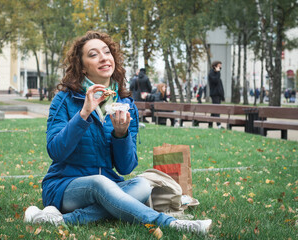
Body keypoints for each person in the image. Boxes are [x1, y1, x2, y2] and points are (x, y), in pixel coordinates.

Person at [24, 31, 212, 234]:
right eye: (93, 54)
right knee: (99, 182)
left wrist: (121, 135)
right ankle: (170, 223)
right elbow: (55, 151)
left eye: (107, 52)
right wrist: (84, 114)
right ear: (82, 66)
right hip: (64, 186)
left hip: (110, 186)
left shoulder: (125, 104)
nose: (104, 58)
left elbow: (125, 167)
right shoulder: (65, 100)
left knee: (141, 185)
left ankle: (60, 220)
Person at [208, 61, 225, 129]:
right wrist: (218, 72)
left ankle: (210, 124)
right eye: (219, 66)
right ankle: (219, 125)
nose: (220, 68)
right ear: (215, 66)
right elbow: (215, 81)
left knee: (214, 110)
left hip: (218, 95)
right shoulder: (211, 73)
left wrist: (222, 96)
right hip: (214, 94)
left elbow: (221, 86)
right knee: (217, 110)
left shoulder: (217, 74)